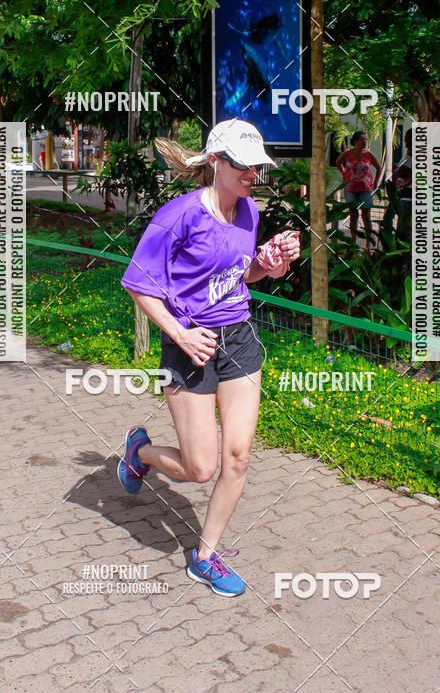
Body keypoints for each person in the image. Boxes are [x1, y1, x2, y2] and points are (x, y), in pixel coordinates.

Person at [118, 119, 300, 597]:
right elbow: (138, 284)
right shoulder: (178, 215)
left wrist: (272, 264)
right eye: (243, 165)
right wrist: (180, 334)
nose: (253, 174)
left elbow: (246, 275)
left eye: (257, 166)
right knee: (200, 469)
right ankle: (139, 451)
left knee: (236, 457)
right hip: (187, 346)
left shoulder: (249, 212)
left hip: (238, 337)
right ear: (216, 162)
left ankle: (206, 556)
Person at [335, 130, 381, 251]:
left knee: (366, 217)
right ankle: (353, 244)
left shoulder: (368, 154)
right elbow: (338, 162)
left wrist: (375, 183)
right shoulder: (348, 153)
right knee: (353, 216)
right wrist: (344, 173)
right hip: (350, 189)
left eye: (366, 139)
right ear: (355, 141)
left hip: (366, 189)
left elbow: (378, 167)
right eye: (362, 139)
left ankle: (368, 245)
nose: (364, 141)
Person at [393, 128, 413, 242]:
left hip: (409, 198)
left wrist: (398, 170)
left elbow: (401, 171)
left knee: (405, 230)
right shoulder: (407, 156)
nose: (405, 141)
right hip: (402, 197)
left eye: (408, 138)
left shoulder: (414, 158)